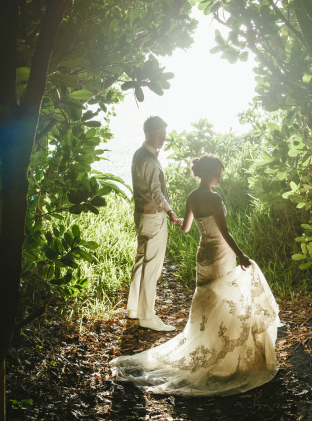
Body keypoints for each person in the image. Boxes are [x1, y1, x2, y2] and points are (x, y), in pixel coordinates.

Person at [111, 154, 281, 396]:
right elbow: (226, 233)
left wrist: (177, 220)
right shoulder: (213, 198)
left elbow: (187, 227)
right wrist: (242, 256)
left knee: (210, 298)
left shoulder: (192, 196)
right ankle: (221, 352)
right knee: (224, 298)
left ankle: (209, 345)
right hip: (220, 252)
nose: (220, 176)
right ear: (207, 173)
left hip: (203, 253)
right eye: (217, 173)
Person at [127, 116, 180, 332]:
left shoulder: (139, 155)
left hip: (140, 215)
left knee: (141, 261)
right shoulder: (149, 160)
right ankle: (147, 316)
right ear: (148, 134)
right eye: (160, 136)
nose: (163, 140)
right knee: (152, 267)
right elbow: (156, 192)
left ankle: (133, 309)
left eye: (164, 137)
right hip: (153, 217)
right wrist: (170, 212)